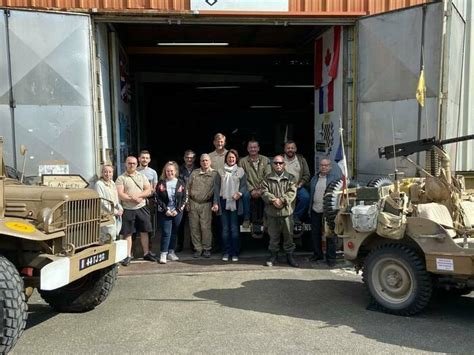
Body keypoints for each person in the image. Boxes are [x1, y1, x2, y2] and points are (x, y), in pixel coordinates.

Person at [116, 156, 157, 266]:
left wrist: (138, 196)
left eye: (134, 163)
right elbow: (120, 194)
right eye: (129, 163)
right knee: (128, 233)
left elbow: (148, 190)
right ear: (126, 164)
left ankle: (146, 253)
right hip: (128, 209)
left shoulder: (142, 176)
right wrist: (132, 199)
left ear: (137, 164)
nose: (132, 165)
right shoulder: (121, 178)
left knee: (144, 231)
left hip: (141, 207)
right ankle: (128, 255)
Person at [261, 155, 298, 267]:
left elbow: (292, 192)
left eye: (280, 163)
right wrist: (273, 200)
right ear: (272, 165)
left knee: (288, 236)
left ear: (284, 164)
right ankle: (273, 256)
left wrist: (281, 200)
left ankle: (290, 256)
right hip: (272, 213)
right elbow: (263, 192)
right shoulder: (267, 178)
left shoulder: (291, 178)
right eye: (276, 163)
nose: (278, 165)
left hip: (287, 213)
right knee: (273, 236)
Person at [309, 158, 342, 267]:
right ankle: (317, 255)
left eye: (326, 165)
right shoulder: (314, 178)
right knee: (315, 234)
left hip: (328, 212)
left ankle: (331, 258)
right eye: (322, 165)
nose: (324, 167)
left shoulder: (335, 179)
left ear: (330, 167)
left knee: (330, 235)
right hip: (315, 209)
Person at [217, 149, 247, 262]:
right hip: (223, 202)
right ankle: (226, 252)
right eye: (229, 157)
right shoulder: (220, 171)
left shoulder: (240, 171)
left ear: (236, 159)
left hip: (235, 202)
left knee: (234, 229)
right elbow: (216, 188)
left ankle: (234, 253)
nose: (231, 159)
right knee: (225, 229)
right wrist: (216, 203)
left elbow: (244, 186)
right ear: (226, 158)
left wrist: (239, 193)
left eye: (233, 157)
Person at [187, 154, 220, 258]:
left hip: (206, 203)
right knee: (194, 227)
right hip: (193, 202)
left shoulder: (215, 174)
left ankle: (206, 249)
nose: (205, 162)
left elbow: (217, 191)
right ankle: (198, 249)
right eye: (202, 161)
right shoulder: (194, 173)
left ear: (210, 161)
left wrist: (215, 203)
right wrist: (187, 203)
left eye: (206, 160)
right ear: (200, 162)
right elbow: (187, 188)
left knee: (206, 228)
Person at [155, 161, 187, 264]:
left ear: (175, 171)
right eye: (168, 171)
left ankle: (171, 252)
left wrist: (177, 210)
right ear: (165, 172)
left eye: (171, 171)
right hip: (165, 212)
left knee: (174, 232)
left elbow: (185, 197)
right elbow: (157, 198)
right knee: (166, 232)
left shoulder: (181, 182)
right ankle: (163, 253)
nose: (170, 173)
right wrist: (166, 210)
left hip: (177, 212)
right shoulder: (161, 183)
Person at [239, 140, 271, 228]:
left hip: (263, 188)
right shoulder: (242, 161)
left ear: (258, 148)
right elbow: (242, 177)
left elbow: (268, 176)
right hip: (249, 188)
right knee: (245, 196)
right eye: (250, 147)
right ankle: (246, 219)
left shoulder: (265, 160)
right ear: (247, 149)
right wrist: (251, 189)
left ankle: (266, 218)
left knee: (268, 195)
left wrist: (261, 189)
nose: (253, 149)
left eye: (255, 147)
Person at [283, 140, 310, 223]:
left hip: (297, 186)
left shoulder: (301, 160)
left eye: (292, 148)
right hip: (282, 187)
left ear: (295, 149)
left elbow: (307, 174)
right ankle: (282, 217)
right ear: (284, 149)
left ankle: (296, 216)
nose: (290, 150)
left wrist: (301, 183)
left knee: (305, 197)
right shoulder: (280, 159)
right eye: (288, 148)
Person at [95, 164, 123, 243]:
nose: (108, 174)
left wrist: (119, 207)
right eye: (105, 172)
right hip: (105, 215)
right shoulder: (99, 184)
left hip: (114, 214)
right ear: (102, 173)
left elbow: (116, 198)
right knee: (107, 236)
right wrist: (115, 211)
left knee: (114, 235)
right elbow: (102, 201)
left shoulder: (112, 183)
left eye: (110, 172)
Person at [177, 149, 198, 252]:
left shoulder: (198, 169)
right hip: (181, 200)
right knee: (180, 223)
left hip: (194, 199)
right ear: (184, 158)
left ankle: (193, 245)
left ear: (194, 159)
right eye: (187, 157)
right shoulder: (178, 170)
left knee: (193, 224)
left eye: (192, 157)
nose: (189, 159)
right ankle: (179, 244)